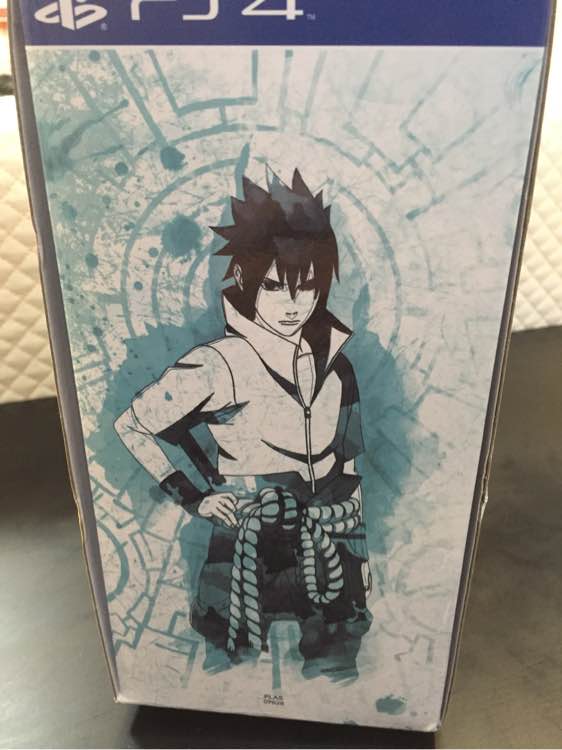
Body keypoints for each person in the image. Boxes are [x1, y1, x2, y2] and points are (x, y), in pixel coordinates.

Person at [115, 169, 372, 680]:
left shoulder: (337, 363)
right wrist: (196, 497)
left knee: (339, 670)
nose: (293, 304)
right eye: (274, 286)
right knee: (229, 675)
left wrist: (355, 546)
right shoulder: (220, 363)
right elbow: (133, 424)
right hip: (247, 537)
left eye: (308, 286)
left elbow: (348, 461)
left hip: (328, 535)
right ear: (246, 280)